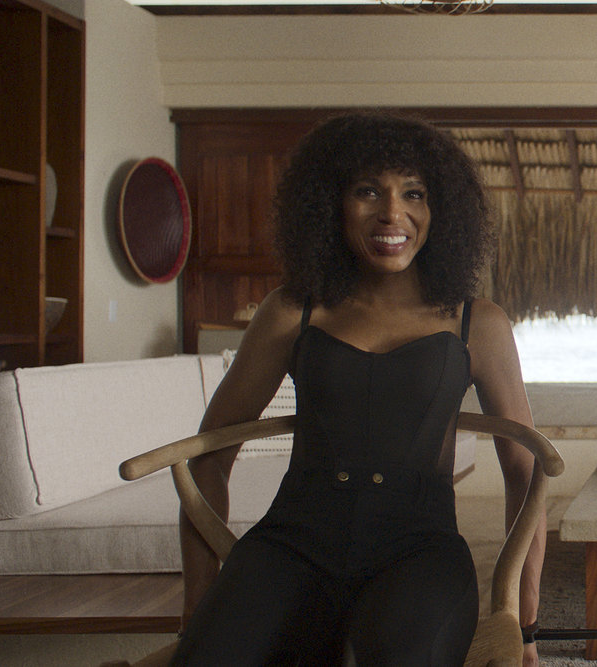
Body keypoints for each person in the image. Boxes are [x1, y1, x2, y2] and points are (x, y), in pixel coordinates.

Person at [171, 112, 545, 666]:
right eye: (368, 191)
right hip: (291, 546)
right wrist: (200, 607)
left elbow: (524, 471)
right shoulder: (291, 311)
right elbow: (210, 456)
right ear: (331, 205)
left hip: (420, 553)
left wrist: (525, 623)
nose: (392, 213)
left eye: (413, 193)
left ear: (440, 209)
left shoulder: (477, 322)